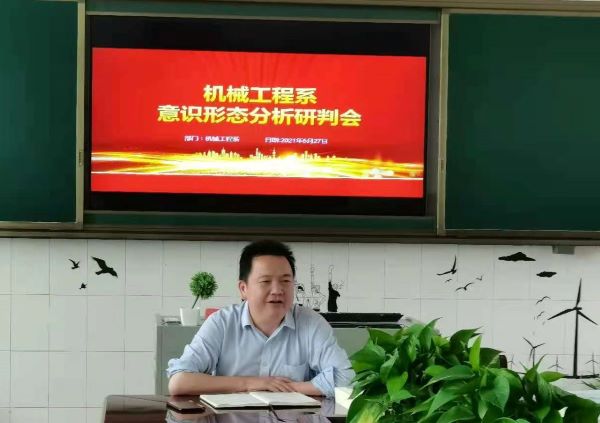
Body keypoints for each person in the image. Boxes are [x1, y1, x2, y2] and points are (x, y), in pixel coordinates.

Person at [167, 240, 354, 398]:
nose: (277, 290)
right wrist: (251, 383)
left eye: (286, 281)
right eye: (265, 281)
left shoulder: (311, 323)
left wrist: (288, 388)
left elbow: (346, 379)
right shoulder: (222, 323)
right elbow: (179, 381)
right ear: (243, 289)